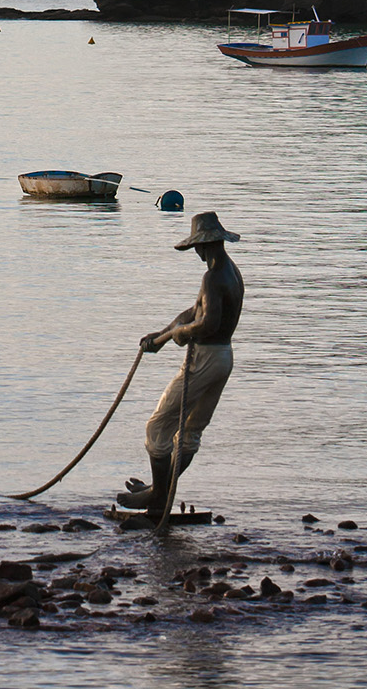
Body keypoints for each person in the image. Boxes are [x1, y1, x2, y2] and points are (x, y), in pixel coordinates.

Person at [117, 210, 244, 514]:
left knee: (157, 427)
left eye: (198, 247)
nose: (197, 253)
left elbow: (206, 324)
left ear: (206, 244)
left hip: (206, 359)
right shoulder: (229, 271)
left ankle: (157, 500)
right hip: (223, 357)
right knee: (189, 431)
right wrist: (161, 336)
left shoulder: (213, 277)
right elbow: (194, 311)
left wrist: (180, 334)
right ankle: (159, 492)